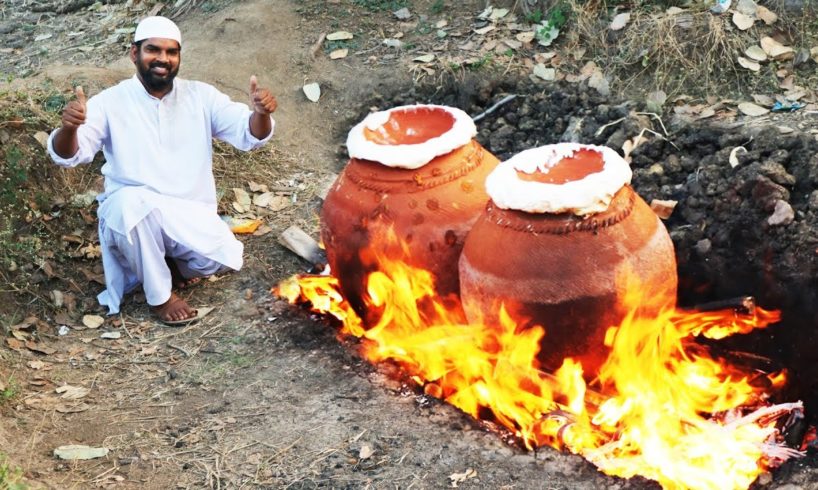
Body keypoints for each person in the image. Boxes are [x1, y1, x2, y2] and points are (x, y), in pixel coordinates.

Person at [47, 16, 278, 323]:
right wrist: (68, 129)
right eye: (153, 50)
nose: (163, 59)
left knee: (222, 258)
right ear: (134, 54)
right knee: (131, 205)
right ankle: (161, 297)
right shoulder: (110, 102)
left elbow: (249, 134)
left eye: (171, 52)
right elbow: (69, 155)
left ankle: (164, 264)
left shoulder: (201, 96)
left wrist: (260, 114)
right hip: (132, 215)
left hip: (187, 213)